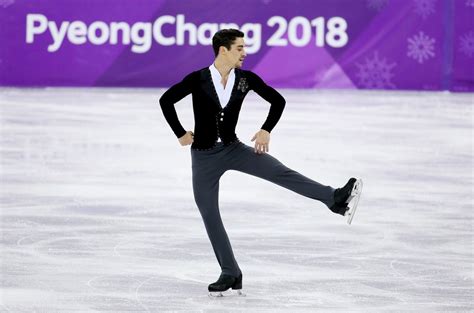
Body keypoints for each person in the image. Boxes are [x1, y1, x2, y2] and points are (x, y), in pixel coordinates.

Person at [159, 29, 363, 296]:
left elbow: (277, 101)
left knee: (280, 172)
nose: (245, 52)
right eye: (240, 48)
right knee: (209, 213)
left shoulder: (245, 80)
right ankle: (230, 271)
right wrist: (181, 134)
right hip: (204, 156)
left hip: (234, 149)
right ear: (224, 50)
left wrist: (267, 129)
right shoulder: (198, 79)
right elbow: (166, 100)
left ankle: (335, 199)